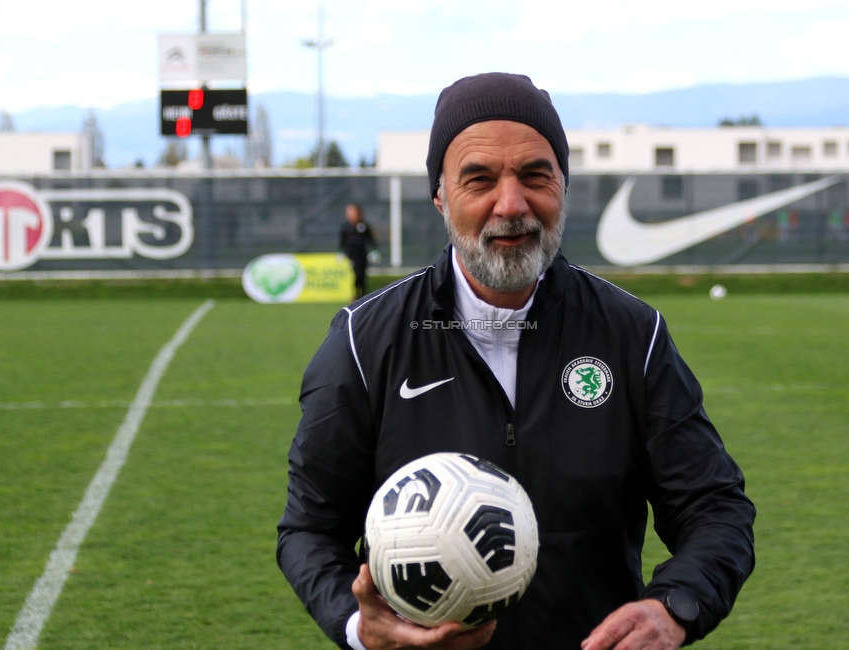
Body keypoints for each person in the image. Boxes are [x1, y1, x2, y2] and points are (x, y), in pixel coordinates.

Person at [278, 72, 755, 650]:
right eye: (479, 179)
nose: (512, 204)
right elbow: (310, 527)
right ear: (439, 195)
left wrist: (675, 604)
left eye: (535, 176)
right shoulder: (364, 341)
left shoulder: (632, 333)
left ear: (563, 186)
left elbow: (714, 507)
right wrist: (359, 628)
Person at [339, 203, 377, 299]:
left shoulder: (364, 226)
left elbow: (371, 240)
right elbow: (342, 241)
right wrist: (342, 252)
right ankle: (355, 296)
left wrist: (374, 251)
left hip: (362, 255)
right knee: (355, 275)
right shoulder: (346, 227)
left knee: (362, 276)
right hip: (352, 256)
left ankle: (363, 296)